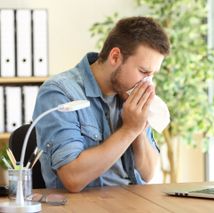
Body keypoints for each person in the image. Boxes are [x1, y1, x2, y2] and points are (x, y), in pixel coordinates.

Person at [33, 16, 170, 192]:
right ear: (115, 57)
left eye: (152, 74)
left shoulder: (130, 94)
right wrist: (129, 130)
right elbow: (73, 178)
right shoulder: (60, 93)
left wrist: (139, 129)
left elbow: (148, 173)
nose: (148, 82)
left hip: (133, 202)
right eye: (143, 71)